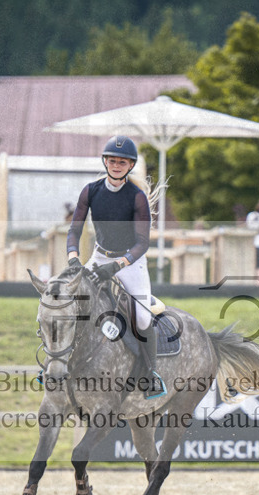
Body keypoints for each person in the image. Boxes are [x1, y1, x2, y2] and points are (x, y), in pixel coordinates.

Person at [66, 134, 166, 399]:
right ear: (105, 162)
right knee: (68, 300)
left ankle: (151, 374)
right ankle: (58, 364)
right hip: (99, 257)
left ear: (130, 165)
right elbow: (74, 231)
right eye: (113, 160)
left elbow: (142, 243)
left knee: (143, 317)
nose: (117, 165)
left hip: (130, 261)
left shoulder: (137, 197)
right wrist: (74, 259)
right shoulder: (90, 191)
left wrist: (118, 265)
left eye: (123, 161)